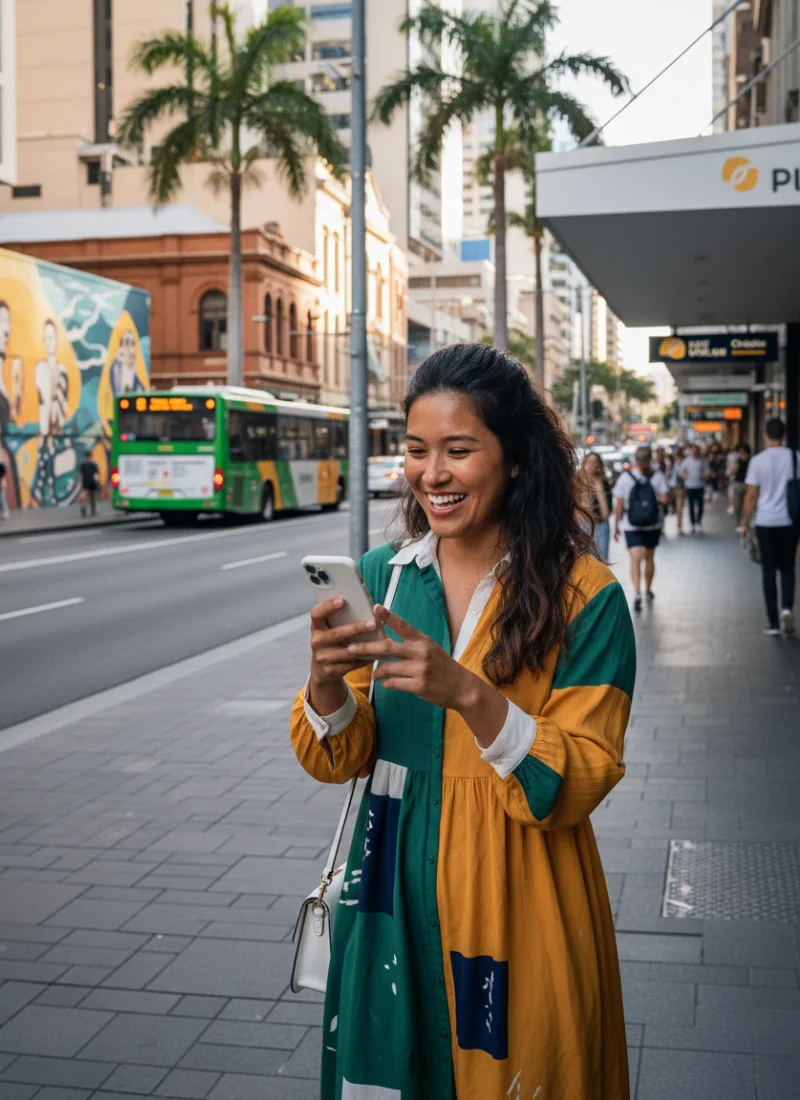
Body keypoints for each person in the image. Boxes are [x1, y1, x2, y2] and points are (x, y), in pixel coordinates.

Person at [291, 344, 636, 1100]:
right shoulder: (384, 574)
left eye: (458, 450)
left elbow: (576, 780)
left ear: (514, 459)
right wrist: (324, 684)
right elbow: (337, 757)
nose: (432, 474)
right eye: (416, 450)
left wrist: (472, 695)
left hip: (518, 896)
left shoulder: (588, 597)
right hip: (385, 892)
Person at [738, 418, 800, 636]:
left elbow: (751, 495)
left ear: (765, 435)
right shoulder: (796, 458)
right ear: (783, 435)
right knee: (787, 568)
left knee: (768, 571)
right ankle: (786, 609)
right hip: (790, 522)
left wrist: (744, 522)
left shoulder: (758, 461)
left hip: (765, 521)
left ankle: (773, 622)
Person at [613, 445, 670, 612]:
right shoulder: (658, 476)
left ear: (635, 461)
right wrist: (653, 505)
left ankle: (637, 591)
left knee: (635, 559)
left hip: (631, 525)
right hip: (653, 524)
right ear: (650, 460)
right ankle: (647, 590)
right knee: (649, 558)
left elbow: (619, 505)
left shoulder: (625, 477)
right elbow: (665, 499)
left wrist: (616, 525)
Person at [581, 450, 611, 559]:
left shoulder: (604, 482)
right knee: (584, 559)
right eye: (589, 462)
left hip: (601, 524)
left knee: (602, 558)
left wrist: (599, 489)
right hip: (584, 524)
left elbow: (606, 511)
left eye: (595, 462)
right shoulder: (578, 482)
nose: (592, 465)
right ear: (584, 464)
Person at [678, 444, 709, 533]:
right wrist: (684, 476)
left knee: (700, 505)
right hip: (690, 486)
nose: (695, 452)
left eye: (696, 451)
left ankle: (698, 521)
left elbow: (707, 471)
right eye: (693, 451)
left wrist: (705, 476)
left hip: (700, 485)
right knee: (691, 505)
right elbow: (681, 470)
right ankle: (692, 523)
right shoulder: (687, 461)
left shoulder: (703, 461)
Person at [731, 442, 751, 526]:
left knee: (746, 505)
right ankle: (740, 523)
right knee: (737, 506)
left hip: (748, 485)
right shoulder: (738, 461)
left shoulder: (751, 461)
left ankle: (745, 522)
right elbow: (732, 472)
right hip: (738, 484)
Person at [669, 444, 687, 535]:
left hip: (679, 487)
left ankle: (679, 525)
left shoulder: (683, 463)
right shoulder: (670, 462)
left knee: (679, 507)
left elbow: (684, 475)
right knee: (671, 507)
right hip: (670, 486)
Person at [79, 451, 100, 517]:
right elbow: (96, 474)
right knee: (92, 496)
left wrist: (81, 481)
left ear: (85, 456)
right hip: (92, 481)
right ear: (91, 456)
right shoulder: (94, 464)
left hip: (85, 480)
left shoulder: (83, 464)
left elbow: (81, 474)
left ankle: (83, 506)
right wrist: (98, 482)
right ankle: (93, 510)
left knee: (85, 494)